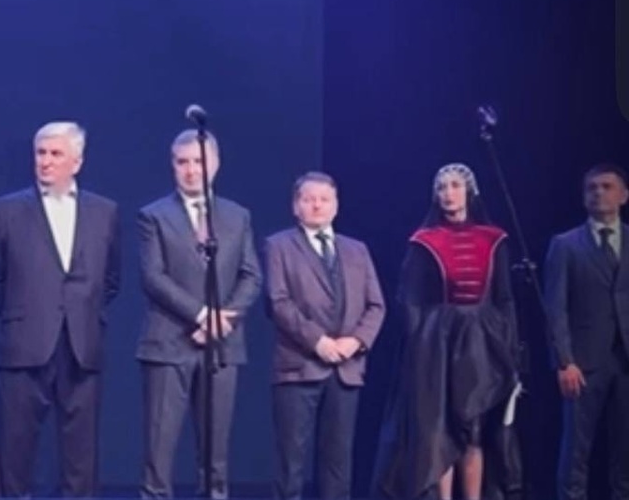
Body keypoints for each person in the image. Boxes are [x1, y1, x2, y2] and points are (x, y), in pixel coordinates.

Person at [0, 121, 121, 497]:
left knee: (81, 455)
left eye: (55, 154)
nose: (45, 161)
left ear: (77, 162)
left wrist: (80, 312)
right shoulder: (7, 210)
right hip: (25, 343)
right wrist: (26, 312)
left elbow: (110, 279)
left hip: (81, 345)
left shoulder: (104, 212)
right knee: (15, 449)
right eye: (40, 153)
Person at [373, 163, 522, 500]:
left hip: (482, 345)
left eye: (455, 185)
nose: (448, 193)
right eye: (441, 187)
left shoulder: (493, 239)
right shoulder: (424, 241)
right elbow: (410, 300)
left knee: (473, 430)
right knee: (439, 433)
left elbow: (504, 298)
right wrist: (419, 349)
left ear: (469, 191)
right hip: (437, 347)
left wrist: (508, 346)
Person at [135, 129, 262, 499]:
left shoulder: (237, 216)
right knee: (159, 453)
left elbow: (251, 275)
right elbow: (153, 277)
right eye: (183, 162)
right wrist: (203, 314)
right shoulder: (154, 216)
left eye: (198, 162)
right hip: (168, 344)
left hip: (222, 347)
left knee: (215, 453)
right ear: (173, 165)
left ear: (216, 164)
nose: (191, 170)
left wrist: (223, 319)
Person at [264, 171, 386, 500]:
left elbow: (376, 305)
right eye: (309, 199)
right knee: (291, 464)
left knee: (337, 464)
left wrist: (356, 341)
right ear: (296, 206)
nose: (317, 205)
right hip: (298, 367)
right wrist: (318, 341)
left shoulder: (357, 250)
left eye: (324, 199)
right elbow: (278, 303)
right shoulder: (279, 246)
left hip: (346, 369)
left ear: (336, 205)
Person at [545, 163, 629, 500]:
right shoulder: (565, 245)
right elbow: (555, 308)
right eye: (592, 188)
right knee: (576, 452)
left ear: (624, 195)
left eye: (607, 186)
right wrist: (564, 361)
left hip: (625, 361)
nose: (598, 193)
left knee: (625, 452)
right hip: (584, 363)